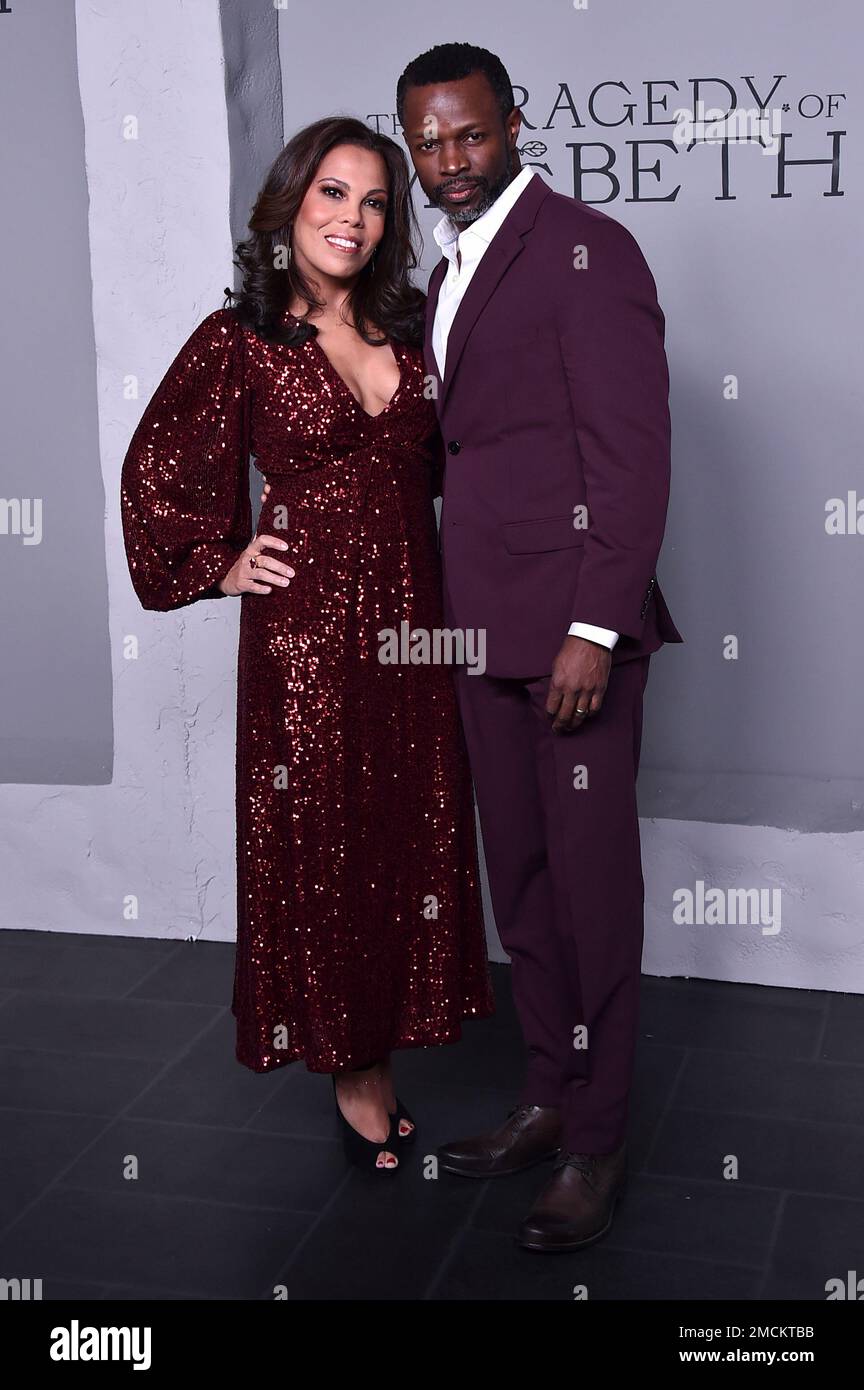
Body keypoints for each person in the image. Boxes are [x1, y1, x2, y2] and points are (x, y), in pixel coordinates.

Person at [120, 115, 494, 1176]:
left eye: (376, 201)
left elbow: (469, 463)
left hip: (416, 629)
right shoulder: (241, 335)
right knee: (326, 839)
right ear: (291, 205)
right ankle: (354, 1068)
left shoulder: (418, 326)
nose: (355, 218)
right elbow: (155, 472)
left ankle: (393, 1033)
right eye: (334, 194)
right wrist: (223, 559)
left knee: (409, 826)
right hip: (308, 639)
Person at [396, 43, 683, 1247]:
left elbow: (633, 454)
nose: (449, 161)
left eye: (468, 135)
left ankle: (600, 1139)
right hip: (478, 634)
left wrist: (592, 628)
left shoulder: (586, 250)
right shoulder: (448, 269)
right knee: (520, 885)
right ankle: (546, 1099)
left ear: (514, 125)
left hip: (572, 640)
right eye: (428, 143)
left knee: (593, 895)